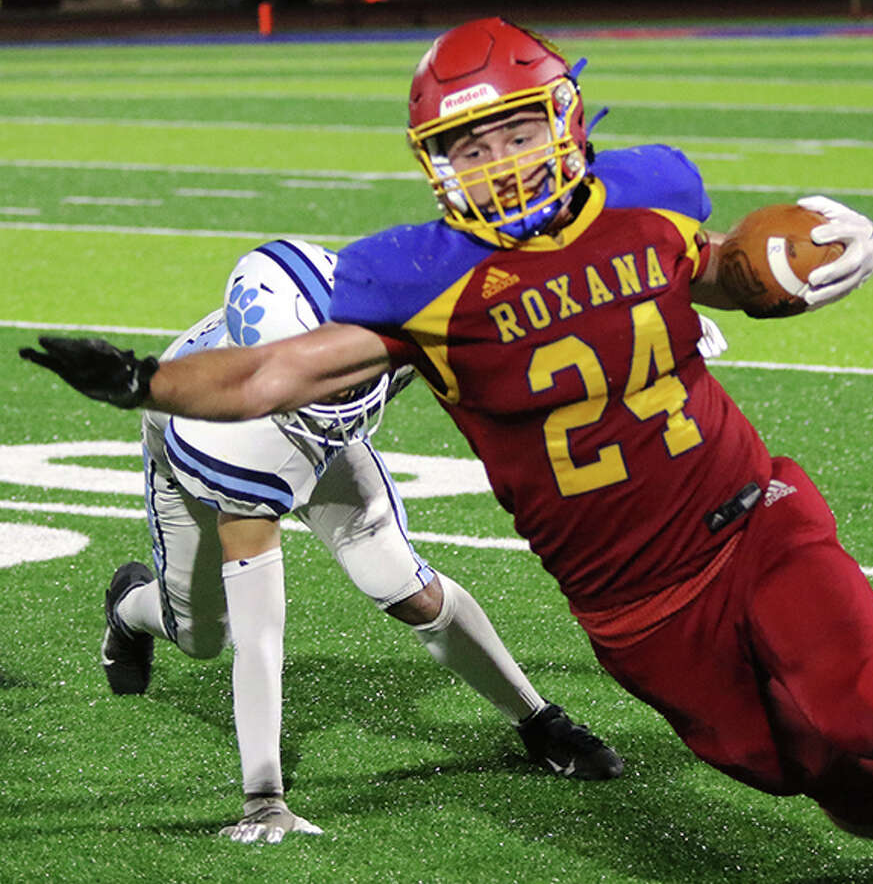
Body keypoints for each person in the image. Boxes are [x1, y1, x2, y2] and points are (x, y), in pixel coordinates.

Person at [23, 18, 873, 876]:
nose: (504, 161)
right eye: (472, 145)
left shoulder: (652, 190)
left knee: (863, 699)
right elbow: (277, 371)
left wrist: (784, 277)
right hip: (630, 599)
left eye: (520, 127)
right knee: (819, 772)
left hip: (746, 510)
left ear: (568, 116)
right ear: (434, 162)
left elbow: (717, 270)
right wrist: (141, 380)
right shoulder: (415, 275)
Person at [98, 238, 623, 843]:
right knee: (201, 633)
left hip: (289, 428)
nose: (344, 386)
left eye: (339, 360)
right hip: (222, 447)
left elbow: (519, 308)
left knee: (408, 588)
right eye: (317, 374)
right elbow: (261, 635)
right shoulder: (229, 436)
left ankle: (539, 722)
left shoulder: (386, 319)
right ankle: (130, 607)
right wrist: (263, 799)